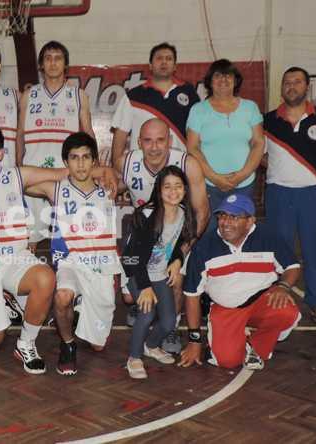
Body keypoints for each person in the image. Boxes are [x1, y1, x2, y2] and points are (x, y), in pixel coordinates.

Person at [0, 124, 116, 374]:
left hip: (13, 259)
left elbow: (62, 172)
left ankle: (25, 343)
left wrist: (106, 170)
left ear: (0, 153)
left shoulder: (16, 176)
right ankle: (7, 301)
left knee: (45, 278)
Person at [24, 132, 123, 376]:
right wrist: (60, 173)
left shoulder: (110, 188)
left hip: (101, 265)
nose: (80, 164)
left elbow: (129, 179)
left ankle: (81, 309)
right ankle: (68, 344)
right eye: (74, 158)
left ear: (94, 160)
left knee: (98, 346)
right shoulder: (56, 189)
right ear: (66, 162)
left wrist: (106, 171)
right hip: (71, 262)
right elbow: (22, 180)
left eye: (86, 157)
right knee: (62, 296)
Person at [179, 194, 301, 371]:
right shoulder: (203, 247)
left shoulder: (269, 236)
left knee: (286, 312)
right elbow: (192, 295)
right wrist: (194, 341)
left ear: (250, 221)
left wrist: (283, 287)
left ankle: (253, 344)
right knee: (227, 361)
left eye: (234, 217)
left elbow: (292, 266)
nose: (225, 222)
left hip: (261, 300)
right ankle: (236, 339)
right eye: (222, 216)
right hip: (226, 308)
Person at [118, 118, 209, 352]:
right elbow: (107, 182)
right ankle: (143, 301)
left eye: (160, 140)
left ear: (170, 141)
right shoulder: (126, 162)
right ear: (139, 142)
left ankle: (170, 328)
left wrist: (180, 254)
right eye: (148, 141)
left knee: (175, 281)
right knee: (130, 296)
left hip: (178, 236)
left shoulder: (188, 164)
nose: (154, 147)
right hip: (144, 237)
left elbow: (202, 213)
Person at [263, 67, 316, 323]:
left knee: (315, 250)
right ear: (281, 88)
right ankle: (275, 301)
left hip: (313, 194)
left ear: (306, 87)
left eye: (297, 82)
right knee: (278, 250)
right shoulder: (268, 120)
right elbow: (258, 153)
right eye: (287, 82)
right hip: (278, 193)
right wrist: (276, 169)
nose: (291, 86)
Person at [17, 40, 95, 250]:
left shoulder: (78, 95)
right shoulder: (28, 95)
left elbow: (88, 133)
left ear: (65, 65)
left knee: (68, 240)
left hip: (65, 176)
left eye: (58, 58)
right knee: (30, 243)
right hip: (34, 175)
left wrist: (93, 168)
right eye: (48, 58)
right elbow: (20, 134)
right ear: (41, 65)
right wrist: (19, 168)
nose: (53, 63)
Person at [122, 166, 198, 378]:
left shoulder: (184, 213)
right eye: (167, 187)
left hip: (159, 274)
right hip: (137, 272)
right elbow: (133, 257)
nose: (173, 191)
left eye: (178, 186)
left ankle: (151, 345)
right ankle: (134, 357)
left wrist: (177, 260)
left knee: (168, 321)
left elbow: (181, 241)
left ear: (185, 189)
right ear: (159, 189)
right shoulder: (147, 214)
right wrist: (145, 287)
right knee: (147, 313)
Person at [186, 59, 265, 232]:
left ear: (235, 80)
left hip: (244, 184)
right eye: (218, 75)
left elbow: (258, 143)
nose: (223, 79)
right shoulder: (198, 110)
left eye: (228, 75)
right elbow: (192, 147)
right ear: (210, 81)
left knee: (240, 232)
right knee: (209, 231)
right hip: (208, 184)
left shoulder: (250, 108)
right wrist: (214, 177)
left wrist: (241, 175)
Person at [110, 42, 200, 168]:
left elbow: (199, 134)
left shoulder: (189, 93)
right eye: (159, 58)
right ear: (150, 66)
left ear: (175, 66)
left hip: (179, 168)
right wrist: (116, 169)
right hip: (141, 169)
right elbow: (120, 135)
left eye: (169, 59)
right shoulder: (133, 96)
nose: (164, 62)